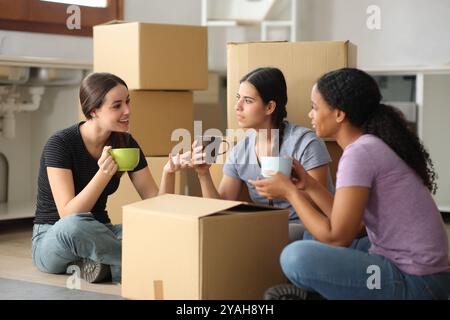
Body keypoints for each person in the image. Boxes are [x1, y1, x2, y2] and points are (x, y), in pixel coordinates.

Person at [249, 68, 450, 299]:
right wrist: (308, 185)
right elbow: (354, 228)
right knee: (310, 238)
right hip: (422, 272)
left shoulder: (359, 153)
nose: (310, 114)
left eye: (315, 107)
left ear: (339, 114)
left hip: (416, 281)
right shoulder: (369, 146)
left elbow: (338, 236)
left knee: (295, 257)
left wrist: (290, 193)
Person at [31, 72, 188, 284]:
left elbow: (156, 208)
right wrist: (103, 174)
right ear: (94, 110)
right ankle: (148, 265)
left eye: (128, 102)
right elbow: (68, 214)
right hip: (54, 237)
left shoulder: (126, 142)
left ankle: (100, 264)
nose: (128, 111)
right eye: (117, 106)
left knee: (150, 227)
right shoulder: (60, 144)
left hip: (101, 231)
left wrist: (168, 172)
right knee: (75, 225)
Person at [191, 67, 333, 242]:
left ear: (270, 107)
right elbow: (219, 211)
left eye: (248, 101)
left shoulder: (305, 143)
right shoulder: (239, 151)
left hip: (308, 229)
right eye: (238, 99)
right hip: (265, 229)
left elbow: (320, 206)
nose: (237, 107)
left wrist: (286, 190)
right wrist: (203, 173)